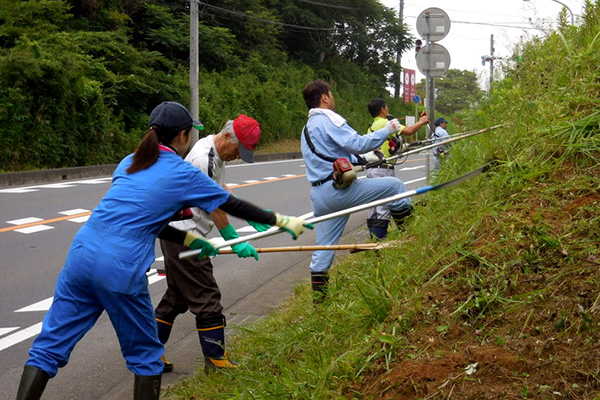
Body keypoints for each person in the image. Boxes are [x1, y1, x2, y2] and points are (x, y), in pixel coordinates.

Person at [15, 101, 312, 400]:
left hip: (81, 255)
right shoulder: (182, 171)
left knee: (48, 348)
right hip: (120, 265)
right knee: (146, 358)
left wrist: (189, 240)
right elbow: (230, 203)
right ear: (182, 135)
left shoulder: (130, 161)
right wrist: (279, 219)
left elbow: (141, 219)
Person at [155, 114, 266, 373]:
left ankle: (150, 353)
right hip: (186, 237)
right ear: (227, 136)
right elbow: (214, 206)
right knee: (207, 297)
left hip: (181, 235)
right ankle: (216, 361)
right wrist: (234, 241)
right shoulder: (203, 158)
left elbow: (219, 188)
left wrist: (248, 212)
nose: (238, 157)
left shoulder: (213, 150)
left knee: (176, 298)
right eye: (239, 151)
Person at [300, 80, 430, 300]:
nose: (332, 98)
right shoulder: (328, 119)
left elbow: (337, 153)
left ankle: (320, 305)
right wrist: (387, 130)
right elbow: (358, 143)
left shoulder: (307, 128)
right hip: (339, 191)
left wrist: (362, 160)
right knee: (395, 186)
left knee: (323, 251)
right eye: (330, 94)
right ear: (324, 97)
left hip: (320, 196)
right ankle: (413, 243)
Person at [364, 98, 430, 239]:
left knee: (374, 208)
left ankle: (375, 243)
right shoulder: (384, 123)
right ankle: (385, 241)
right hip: (383, 170)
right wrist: (422, 121)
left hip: (372, 169)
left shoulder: (372, 126)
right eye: (386, 107)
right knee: (384, 206)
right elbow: (408, 130)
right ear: (382, 109)